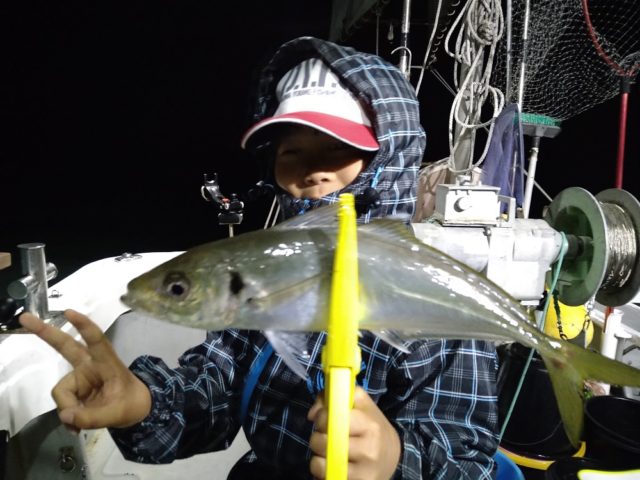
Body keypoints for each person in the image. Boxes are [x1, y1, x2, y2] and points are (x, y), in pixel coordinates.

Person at [20, 36, 499, 479]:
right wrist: (140, 402)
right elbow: (214, 390)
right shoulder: (266, 269)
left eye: (338, 149)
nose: (313, 172)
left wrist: (396, 461)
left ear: (388, 158)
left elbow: (467, 461)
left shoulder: (435, 293)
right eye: (292, 153)